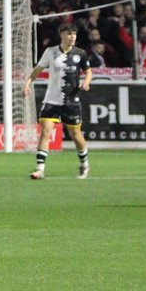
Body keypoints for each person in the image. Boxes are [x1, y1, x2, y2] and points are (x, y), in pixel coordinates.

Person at [22, 23, 92, 180]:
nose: (72, 37)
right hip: (52, 100)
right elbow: (37, 69)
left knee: (75, 134)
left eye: (74, 34)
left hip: (71, 101)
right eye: (69, 34)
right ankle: (40, 169)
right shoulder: (51, 52)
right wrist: (27, 84)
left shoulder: (80, 53)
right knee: (45, 131)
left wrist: (86, 82)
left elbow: (88, 72)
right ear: (61, 35)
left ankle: (84, 163)